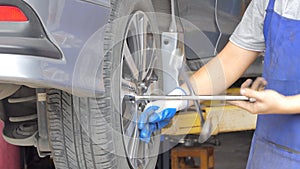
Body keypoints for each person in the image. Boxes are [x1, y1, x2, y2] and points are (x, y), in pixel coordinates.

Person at [138, 0, 300, 168]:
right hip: (270, 154)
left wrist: (285, 104)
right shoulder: (268, 4)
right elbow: (229, 61)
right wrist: (176, 99)